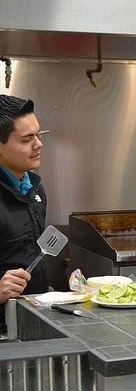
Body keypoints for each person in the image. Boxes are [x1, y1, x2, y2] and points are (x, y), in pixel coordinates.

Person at [0, 94, 48, 334]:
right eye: (27, 139)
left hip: (34, 322)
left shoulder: (35, 187)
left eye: (39, 135)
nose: (38, 144)